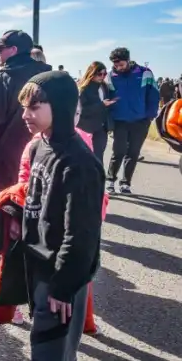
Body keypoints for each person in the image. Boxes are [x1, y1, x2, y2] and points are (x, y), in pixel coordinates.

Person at [16, 71, 103, 360]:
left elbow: (82, 234)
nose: (25, 114)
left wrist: (64, 286)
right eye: (24, 107)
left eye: (34, 107)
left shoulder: (79, 162)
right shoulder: (40, 146)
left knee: (51, 352)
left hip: (61, 275)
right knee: (44, 344)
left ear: (61, 106)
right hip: (39, 266)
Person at [0, 29, 52, 193]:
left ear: (13, 50)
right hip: (46, 150)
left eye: (0, 49)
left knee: (10, 202)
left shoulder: (2, 79)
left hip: (10, 154)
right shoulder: (47, 75)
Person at [105, 47, 158, 194]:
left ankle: (125, 183)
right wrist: (109, 119)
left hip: (140, 121)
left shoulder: (145, 73)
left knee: (133, 153)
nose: (118, 67)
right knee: (119, 151)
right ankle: (110, 180)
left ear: (128, 60)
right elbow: (106, 98)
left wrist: (149, 116)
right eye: (115, 65)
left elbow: (153, 95)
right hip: (119, 121)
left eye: (120, 64)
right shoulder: (110, 76)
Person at [76, 62, 115, 166]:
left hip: (101, 128)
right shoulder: (83, 89)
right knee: (86, 157)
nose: (102, 77)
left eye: (104, 74)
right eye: (99, 74)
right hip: (86, 128)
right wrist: (101, 105)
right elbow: (82, 110)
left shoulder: (104, 87)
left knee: (98, 157)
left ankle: (98, 180)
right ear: (92, 73)